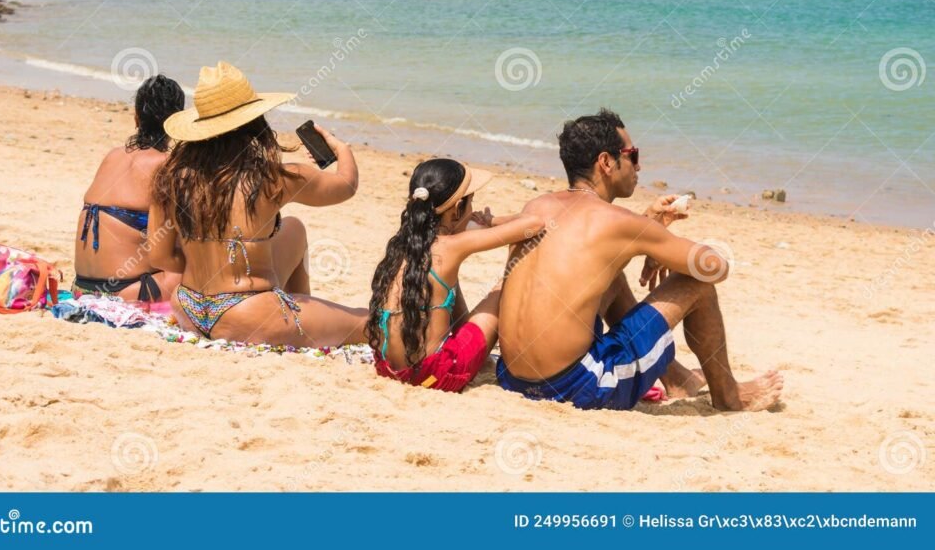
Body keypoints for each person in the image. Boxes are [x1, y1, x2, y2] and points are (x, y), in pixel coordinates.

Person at [496, 109, 783, 412]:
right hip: (576, 386)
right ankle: (728, 395)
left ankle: (677, 378)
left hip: (514, 379)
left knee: (612, 279)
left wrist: (650, 232)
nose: (638, 165)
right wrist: (665, 244)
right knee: (697, 284)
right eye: (632, 155)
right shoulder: (619, 222)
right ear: (606, 162)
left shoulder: (539, 205)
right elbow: (714, 268)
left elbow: (591, 251)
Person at [147, 61, 367, 347]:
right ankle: (299, 320)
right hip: (247, 315)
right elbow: (346, 186)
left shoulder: (171, 177)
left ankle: (301, 308)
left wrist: (208, 256)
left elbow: (159, 257)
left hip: (189, 307)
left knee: (294, 228)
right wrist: (342, 149)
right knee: (366, 322)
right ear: (253, 122)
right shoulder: (273, 178)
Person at [368, 159, 543, 392]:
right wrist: (490, 221)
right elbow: (534, 225)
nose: (473, 211)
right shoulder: (452, 245)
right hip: (433, 376)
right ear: (458, 208)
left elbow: (453, 304)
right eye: (470, 204)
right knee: (505, 283)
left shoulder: (403, 244)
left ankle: (475, 353)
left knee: (443, 291)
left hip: (387, 368)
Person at [73, 74, 185, 307]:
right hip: (128, 292)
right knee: (199, 266)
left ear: (136, 118)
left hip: (81, 288)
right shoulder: (167, 165)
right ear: (178, 122)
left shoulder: (112, 156)